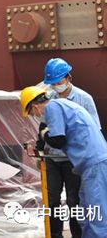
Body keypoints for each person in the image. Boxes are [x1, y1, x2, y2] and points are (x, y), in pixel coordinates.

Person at [21, 85, 107, 238]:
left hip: (93, 164)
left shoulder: (52, 108)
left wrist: (44, 135)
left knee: (96, 212)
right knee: (85, 210)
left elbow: (58, 140)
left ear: (34, 106)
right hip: (89, 164)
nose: (35, 116)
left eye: (32, 113)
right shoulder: (62, 104)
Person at [42, 58, 101, 238]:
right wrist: (41, 149)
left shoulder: (84, 99)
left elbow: (94, 129)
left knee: (74, 200)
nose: (55, 86)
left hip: (73, 160)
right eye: (52, 83)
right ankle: (55, 235)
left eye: (58, 81)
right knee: (52, 201)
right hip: (52, 158)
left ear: (68, 77)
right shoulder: (50, 99)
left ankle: (78, 235)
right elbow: (45, 127)